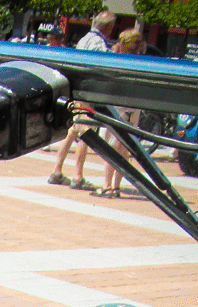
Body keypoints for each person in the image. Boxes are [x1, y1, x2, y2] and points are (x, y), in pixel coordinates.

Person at [47, 10, 115, 190]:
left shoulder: (85, 39)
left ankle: (57, 170)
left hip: (77, 91)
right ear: (108, 27)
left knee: (72, 130)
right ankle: (77, 176)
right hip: (88, 92)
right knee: (86, 132)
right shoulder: (99, 43)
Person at [96, 28, 145, 197]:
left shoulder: (119, 61)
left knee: (112, 146)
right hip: (134, 107)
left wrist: (114, 55)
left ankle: (107, 184)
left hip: (118, 107)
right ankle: (116, 186)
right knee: (125, 148)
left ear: (124, 44)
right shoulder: (141, 63)